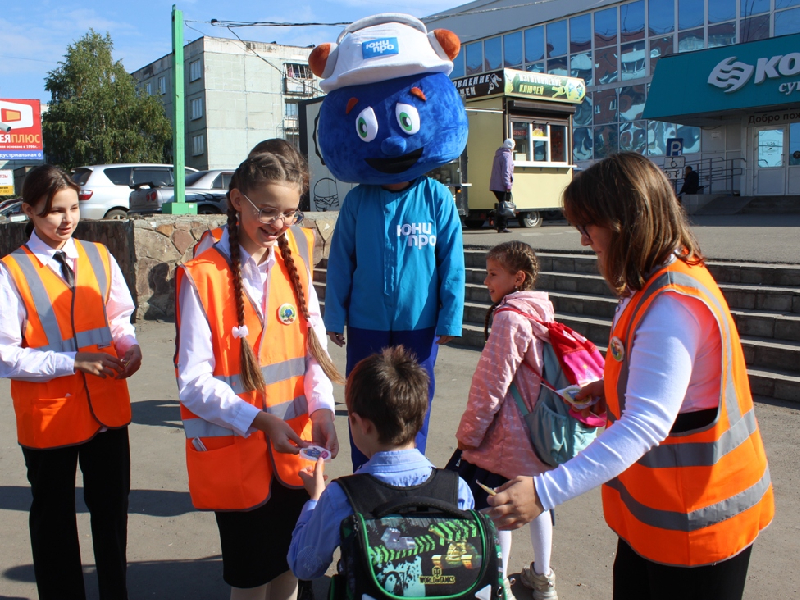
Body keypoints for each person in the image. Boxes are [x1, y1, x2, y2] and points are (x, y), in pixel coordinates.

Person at [487, 152, 774, 600]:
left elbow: (646, 424)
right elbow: (666, 384)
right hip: (662, 521)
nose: (584, 241)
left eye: (589, 227)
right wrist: (609, 388)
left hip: (698, 528)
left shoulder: (670, 304)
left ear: (625, 224)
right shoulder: (655, 282)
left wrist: (544, 492)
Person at [175, 146, 342, 600]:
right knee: (250, 581)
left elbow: (315, 351)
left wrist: (323, 408)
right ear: (236, 200)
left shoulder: (294, 256)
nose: (279, 224)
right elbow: (191, 382)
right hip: (238, 457)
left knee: (291, 566)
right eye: (267, 211)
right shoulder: (202, 276)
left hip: (294, 453)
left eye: (290, 212)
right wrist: (259, 421)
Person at [0, 164, 142, 600]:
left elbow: (119, 314)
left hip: (108, 407)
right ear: (28, 211)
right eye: (52, 212)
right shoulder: (11, 272)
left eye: (73, 208)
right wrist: (73, 362)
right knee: (54, 521)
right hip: (50, 417)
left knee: (111, 515)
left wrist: (129, 343)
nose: (66, 220)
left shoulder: (98, 256)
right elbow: (6, 354)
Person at [287, 345, 475, 580]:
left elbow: (303, 565)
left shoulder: (341, 497)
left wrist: (315, 500)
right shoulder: (457, 489)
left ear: (362, 424)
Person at [448, 240, 558, 600]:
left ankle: (496, 588)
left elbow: (491, 383)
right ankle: (543, 579)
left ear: (518, 278)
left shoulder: (510, 318)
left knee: (497, 505)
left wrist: (469, 433)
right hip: (538, 431)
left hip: (508, 434)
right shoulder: (541, 310)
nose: (485, 281)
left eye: (493, 274)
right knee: (540, 499)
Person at [490, 139, 515, 233]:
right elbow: (506, 172)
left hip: (495, 184)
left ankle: (497, 225)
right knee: (505, 206)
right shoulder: (507, 156)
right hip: (502, 185)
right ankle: (502, 226)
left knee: (501, 205)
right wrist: (507, 185)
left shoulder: (498, 154)